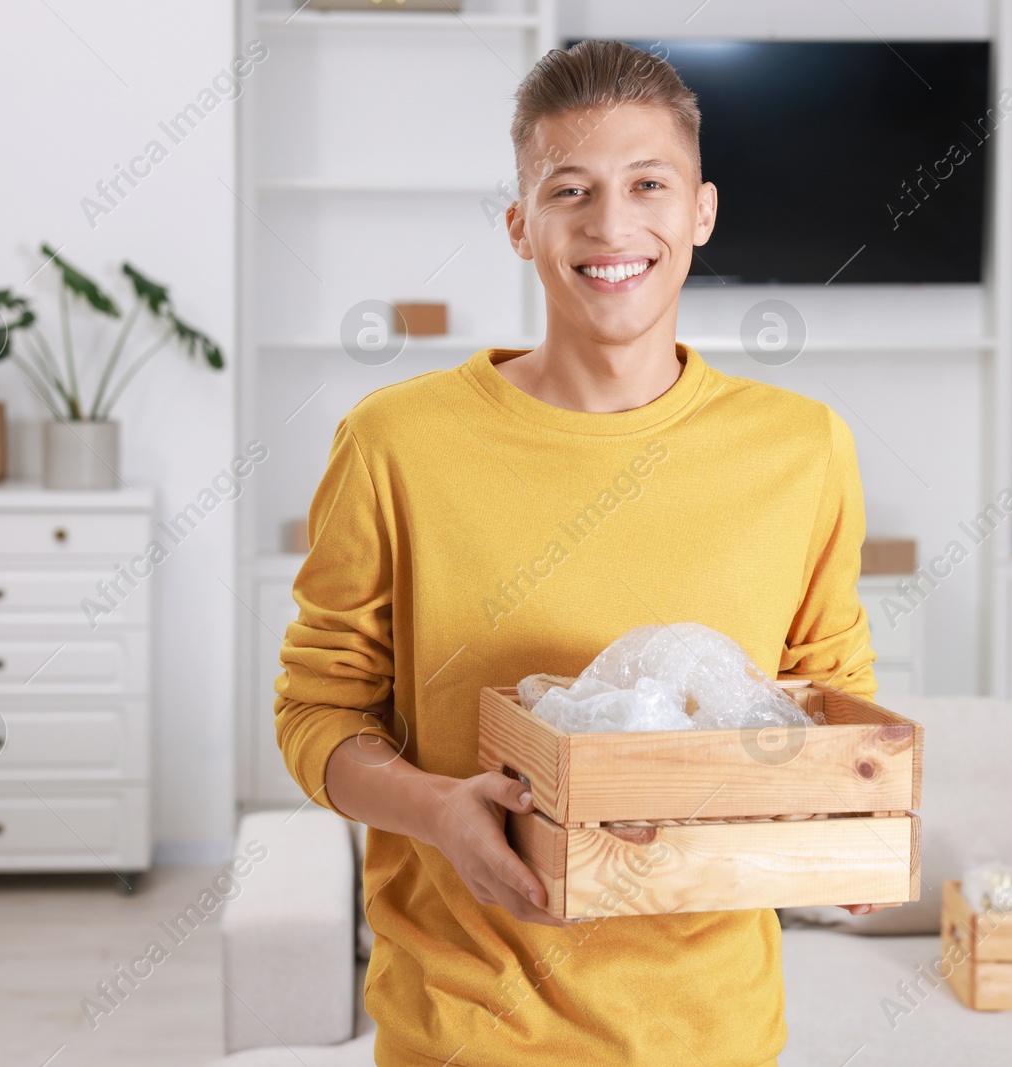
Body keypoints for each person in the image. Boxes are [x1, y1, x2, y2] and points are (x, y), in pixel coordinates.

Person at [276, 39, 879, 1067]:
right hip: (465, 1029)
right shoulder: (396, 442)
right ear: (520, 223)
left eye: (649, 183)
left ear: (702, 211)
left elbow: (826, 695)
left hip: (715, 1031)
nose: (611, 225)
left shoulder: (802, 448)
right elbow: (316, 710)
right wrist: (434, 809)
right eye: (570, 190)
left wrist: (845, 824)